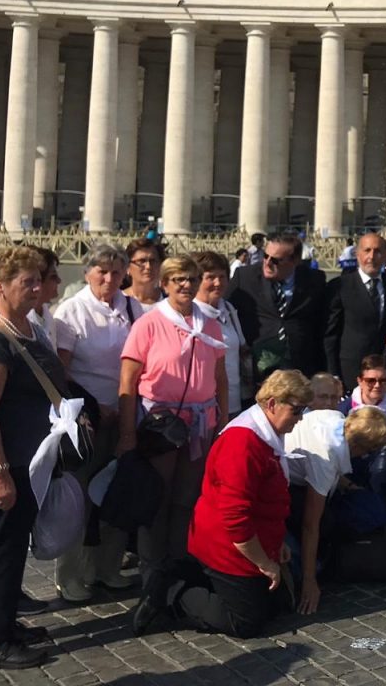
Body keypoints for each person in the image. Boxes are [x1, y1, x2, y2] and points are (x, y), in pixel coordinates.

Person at [132, 371, 314, 638]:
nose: (299, 419)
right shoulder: (242, 443)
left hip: (249, 539)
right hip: (226, 544)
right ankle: (173, 591)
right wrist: (265, 562)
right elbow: (235, 517)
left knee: (279, 604)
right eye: (296, 410)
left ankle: (196, 578)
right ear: (273, 403)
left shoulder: (266, 433)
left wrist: (276, 545)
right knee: (246, 622)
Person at [0, 247, 64, 668]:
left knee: (13, 545)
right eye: (28, 282)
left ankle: (3, 622)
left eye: (40, 279)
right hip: (5, 463)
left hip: (27, 459)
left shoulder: (25, 325)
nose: (38, 288)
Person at [119, 256, 229, 578]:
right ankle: (152, 571)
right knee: (158, 496)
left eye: (192, 279)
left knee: (187, 496)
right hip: (160, 425)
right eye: (179, 279)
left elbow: (220, 376)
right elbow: (128, 379)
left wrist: (221, 421)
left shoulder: (209, 323)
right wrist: (128, 434)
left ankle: (180, 562)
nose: (186, 285)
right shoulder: (148, 323)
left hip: (200, 422)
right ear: (164, 283)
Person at [52, 244, 145, 602]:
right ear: (87, 273)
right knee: (78, 497)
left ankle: (106, 568)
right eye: (101, 271)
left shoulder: (133, 308)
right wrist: (96, 406)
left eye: (116, 272)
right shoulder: (72, 311)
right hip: (86, 419)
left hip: (125, 415)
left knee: (115, 493)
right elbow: (60, 372)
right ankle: (71, 575)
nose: (109, 279)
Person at [286, 404, 386, 615]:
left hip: (294, 470)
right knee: (325, 521)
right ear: (360, 449)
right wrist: (310, 581)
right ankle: (305, 571)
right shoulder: (325, 457)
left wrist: (346, 484)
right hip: (284, 485)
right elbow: (311, 525)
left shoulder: (335, 418)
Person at [228, 232, 328, 378]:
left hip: (300, 365)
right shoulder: (244, 277)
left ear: (294, 261)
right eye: (265, 256)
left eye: (275, 260)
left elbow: (322, 322)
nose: (267, 263)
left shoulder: (314, 280)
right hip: (258, 365)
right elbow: (226, 312)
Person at [324, 232, 386, 391]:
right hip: (350, 371)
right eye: (367, 250)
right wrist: (332, 373)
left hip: (385, 372)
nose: (372, 256)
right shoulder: (340, 286)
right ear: (357, 254)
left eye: (377, 251)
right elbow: (330, 334)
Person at [192, 251, 251, 416]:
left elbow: (241, 349)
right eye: (210, 277)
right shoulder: (189, 313)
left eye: (222, 277)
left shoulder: (229, 310)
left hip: (234, 403)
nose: (218, 283)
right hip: (202, 407)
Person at [125, 239, 165, 311]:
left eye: (153, 261)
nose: (148, 266)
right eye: (141, 261)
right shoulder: (118, 302)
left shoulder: (170, 301)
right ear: (127, 267)